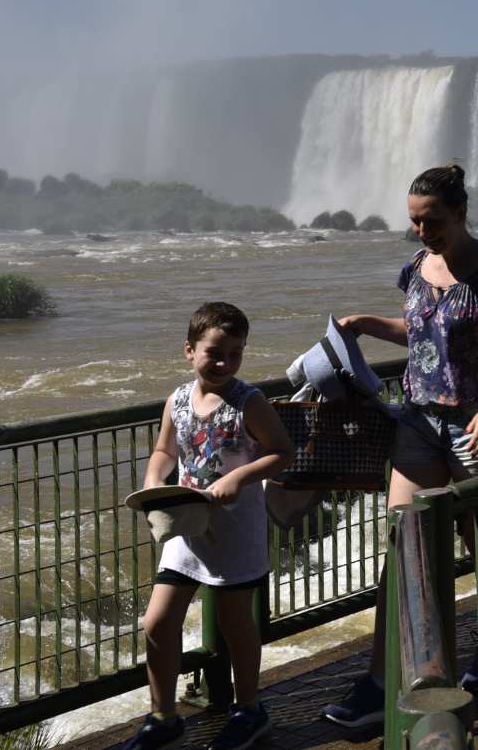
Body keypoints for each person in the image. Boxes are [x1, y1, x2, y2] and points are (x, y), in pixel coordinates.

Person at [323, 164, 478, 729]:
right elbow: (421, 331)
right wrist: (367, 322)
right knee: (402, 543)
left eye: (431, 220)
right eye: (414, 220)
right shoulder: (415, 266)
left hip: (472, 426)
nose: (421, 231)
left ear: (460, 213)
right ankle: (384, 680)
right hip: (416, 422)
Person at [127, 302, 294, 750]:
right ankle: (163, 717)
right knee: (157, 622)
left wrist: (237, 478)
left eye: (235, 354)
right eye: (214, 352)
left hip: (235, 532)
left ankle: (248, 709)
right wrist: (152, 480)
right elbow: (165, 450)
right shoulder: (178, 399)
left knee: (235, 623)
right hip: (185, 527)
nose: (224, 363)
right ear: (189, 351)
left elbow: (281, 450)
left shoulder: (249, 401)